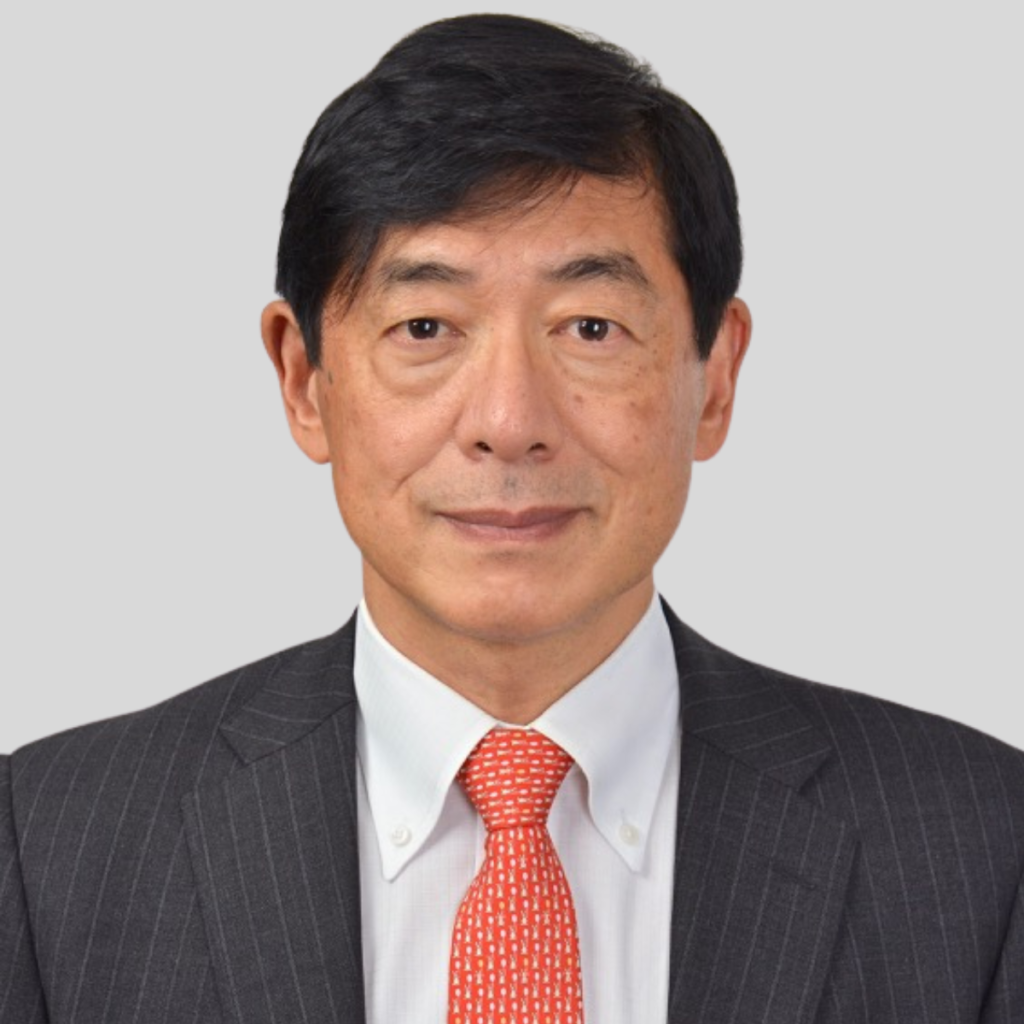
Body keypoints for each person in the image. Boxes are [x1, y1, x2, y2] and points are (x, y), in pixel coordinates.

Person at [1, 12, 1020, 1024]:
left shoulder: (981, 849)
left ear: (713, 378)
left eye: (590, 327)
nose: (508, 423)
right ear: (304, 379)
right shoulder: (49, 848)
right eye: (426, 326)